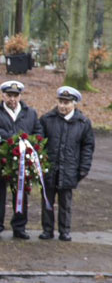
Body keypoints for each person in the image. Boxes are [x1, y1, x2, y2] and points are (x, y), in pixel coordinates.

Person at [0, 80, 42, 239]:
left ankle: (19, 226)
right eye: (9, 95)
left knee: (21, 195)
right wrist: (12, 139)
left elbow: (38, 132)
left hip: (23, 162)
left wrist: (30, 142)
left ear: (20, 96)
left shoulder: (30, 113)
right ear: (2, 95)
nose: (12, 99)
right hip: (0, 160)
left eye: (15, 95)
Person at [39, 86, 94, 241]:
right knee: (47, 200)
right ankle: (47, 229)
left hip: (70, 168)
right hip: (49, 167)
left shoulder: (83, 123)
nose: (63, 106)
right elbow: (39, 142)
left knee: (65, 202)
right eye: (61, 102)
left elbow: (87, 147)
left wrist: (83, 168)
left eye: (66, 103)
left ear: (74, 104)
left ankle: (65, 230)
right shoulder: (47, 119)